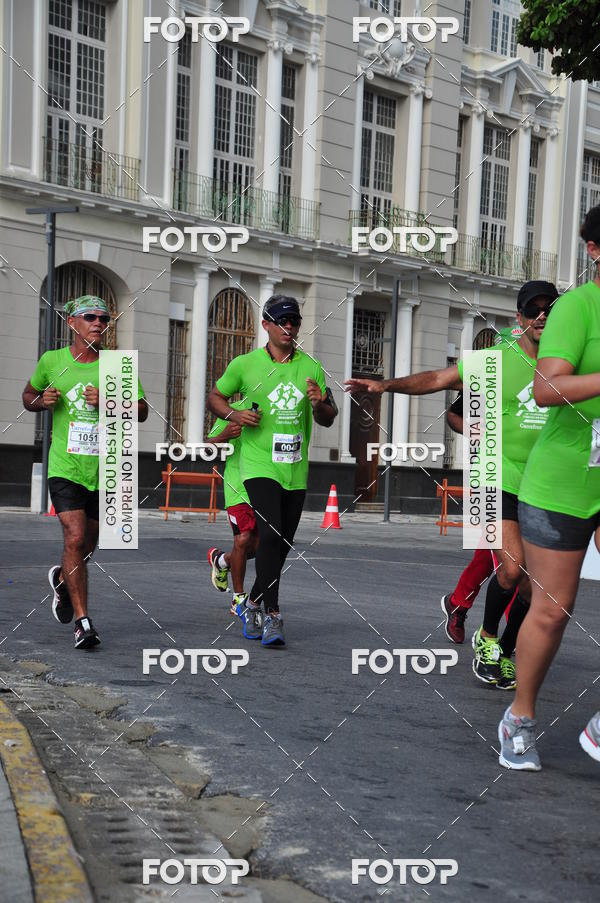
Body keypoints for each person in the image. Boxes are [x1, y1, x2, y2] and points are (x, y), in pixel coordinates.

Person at [347, 282, 558, 690]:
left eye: (550, 308)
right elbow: (438, 379)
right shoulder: (497, 359)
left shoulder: (568, 364)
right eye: (534, 309)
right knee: (511, 569)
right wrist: (385, 386)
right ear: (520, 318)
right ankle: (488, 638)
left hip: (545, 483)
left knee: (538, 587)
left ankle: (505, 650)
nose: (543, 316)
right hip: (498, 477)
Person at [498, 206, 600, 770]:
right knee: (553, 610)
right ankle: (520, 718)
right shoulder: (576, 309)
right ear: (594, 250)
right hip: (562, 480)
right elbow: (545, 388)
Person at [207, 295, 337, 647]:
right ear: (266, 325)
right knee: (269, 532)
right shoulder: (244, 364)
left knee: (282, 544)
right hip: (257, 464)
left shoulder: (311, 367)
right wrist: (234, 415)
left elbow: (329, 417)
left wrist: (319, 403)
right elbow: (215, 398)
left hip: (294, 468)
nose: (289, 327)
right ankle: (273, 616)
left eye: (293, 321)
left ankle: (251, 603)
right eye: (281, 321)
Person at [22, 295, 148, 648]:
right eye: (90, 317)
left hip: (105, 467)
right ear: (72, 323)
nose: (98, 323)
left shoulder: (117, 366)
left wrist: (111, 402)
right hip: (65, 465)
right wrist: (40, 402)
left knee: (88, 544)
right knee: (75, 537)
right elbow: (28, 395)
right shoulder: (53, 361)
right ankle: (83, 623)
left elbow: (140, 411)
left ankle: (63, 580)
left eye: (104, 319)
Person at [441, 327, 523, 646]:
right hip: (485, 473)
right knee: (502, 559)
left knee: (490, 556)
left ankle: (458, 605)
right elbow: (452, 416)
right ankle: (507, 630)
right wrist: (481, 431)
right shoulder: (485, 381)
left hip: (522, 481)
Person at [205, 401, 259, 621]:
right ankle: (238, 598)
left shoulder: (273, 408)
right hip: (238, 488)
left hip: (268, 486)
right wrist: (224, 434)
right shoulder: (230, 411)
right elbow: (207, 448)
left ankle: (222, 561)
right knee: (243, 540)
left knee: (258, 548)